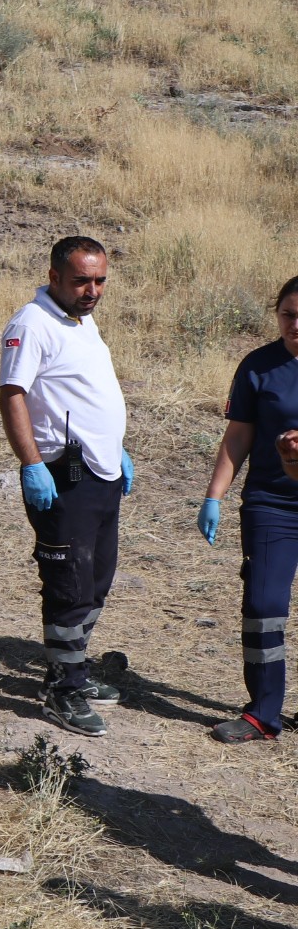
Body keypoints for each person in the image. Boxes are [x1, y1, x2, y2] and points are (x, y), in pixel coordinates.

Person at [0, 235, 133, 738]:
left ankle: (74, 667)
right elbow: (12, 394)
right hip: (62, 477)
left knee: (97, 579)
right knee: (68, 586)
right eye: (81, 280)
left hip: (101, 474)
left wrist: (114, 445)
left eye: (99, 280)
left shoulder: (81, 318)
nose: (92, 290)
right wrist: (31, 464)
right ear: (54, 277)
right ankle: (64, 689)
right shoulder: (31, 324)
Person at [197, 276, 298, 743]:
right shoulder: (259, 366)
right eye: (288, 315)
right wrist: (214, 495)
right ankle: (262, 714)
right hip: (272, 504)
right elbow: (237, 437)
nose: (296, 324)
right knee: (263, 606)